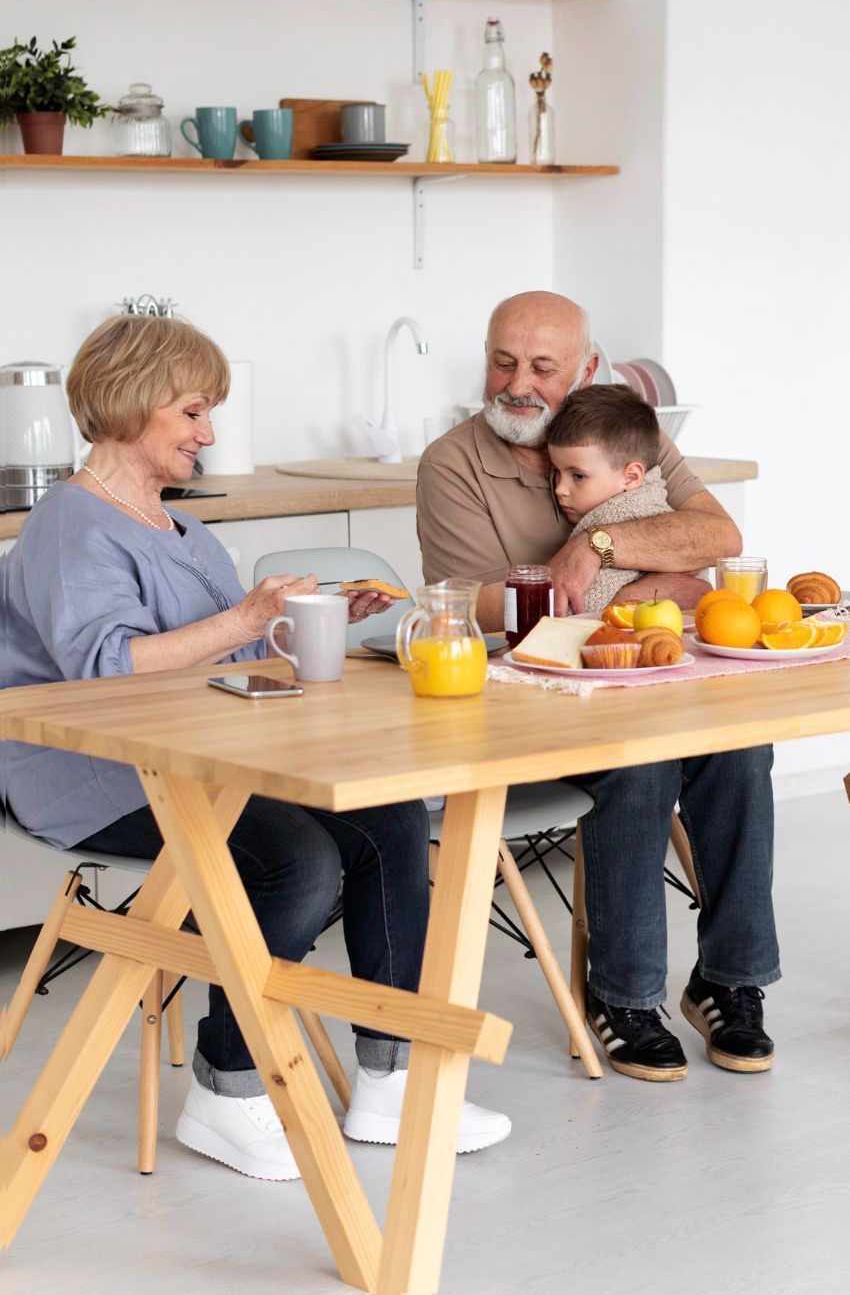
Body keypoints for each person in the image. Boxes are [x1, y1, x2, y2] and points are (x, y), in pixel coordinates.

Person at [4, 314, 510, 1179]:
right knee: (295, 860)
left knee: (386, 817)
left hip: (193, 755)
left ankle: (391, 1080)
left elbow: (225, 660)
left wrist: (283, 623)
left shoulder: (185, 531)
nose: (209, 434)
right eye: (195, 413)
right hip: (89, 770)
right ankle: (229, 1090)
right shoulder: (71, 525)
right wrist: (247, 615)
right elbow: (106, 666)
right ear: (131, 406)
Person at [417, 290, 778, 1081]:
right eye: (503, 361)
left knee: (743, 746)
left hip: (646, 676)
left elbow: (720, 535)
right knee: (640, 759)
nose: (520, 383)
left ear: (584, 368)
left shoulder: (618, 426)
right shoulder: (452, 462)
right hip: (527, 698)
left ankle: (729, 981)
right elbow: (468, 600)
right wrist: (614, 576)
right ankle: (623, 996)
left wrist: (602, 544)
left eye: (544, 367)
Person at [546, 383, 708, 615]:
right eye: (557, 473)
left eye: (578, 476)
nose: (560, 489)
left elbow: (577, 608)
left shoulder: (613, 516)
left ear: (631, 476)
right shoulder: (653, 501)